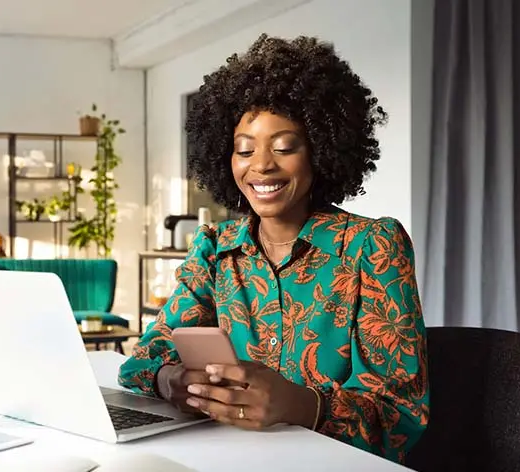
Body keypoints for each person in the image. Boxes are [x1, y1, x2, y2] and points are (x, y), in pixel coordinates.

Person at [118, 34, 429, 464]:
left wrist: (299, 405)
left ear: (320, 150)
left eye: (284, 147)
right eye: (244, 149)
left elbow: (401, 417)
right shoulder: (214, 250)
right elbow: (140, 362)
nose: (261, 164)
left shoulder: (371, 248)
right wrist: (173, 379)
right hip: (228, 458)